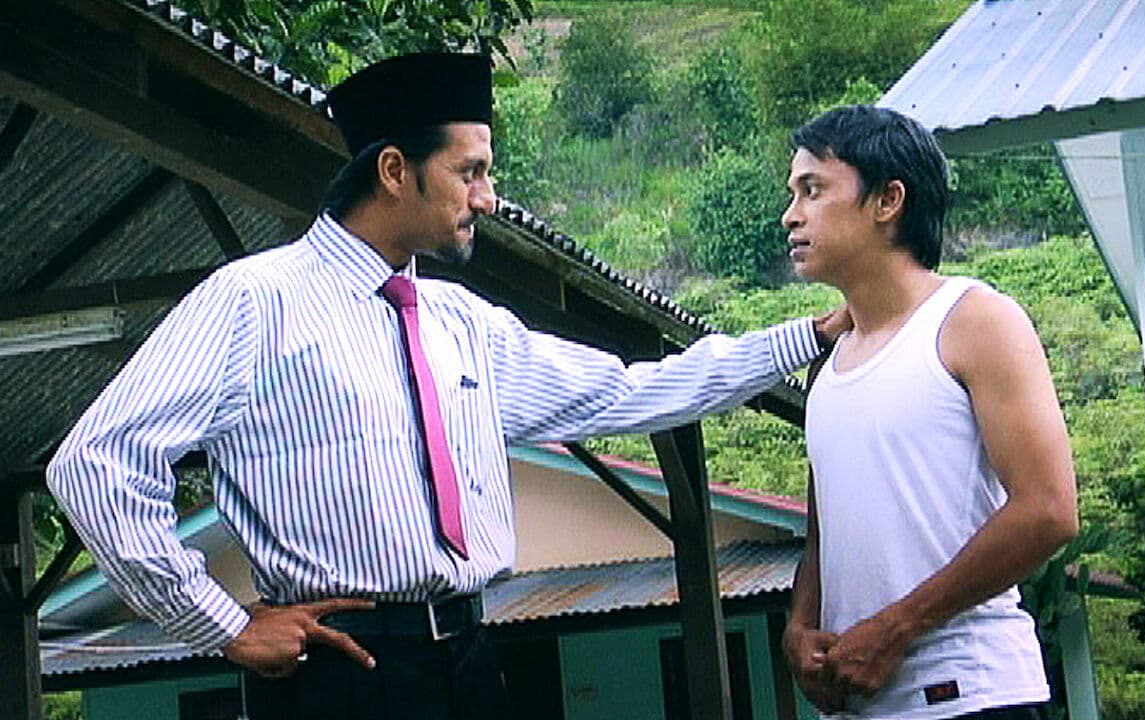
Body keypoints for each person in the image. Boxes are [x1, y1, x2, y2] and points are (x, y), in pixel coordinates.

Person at [46, 53, 848, 719]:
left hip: (470, 657)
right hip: (342, 676)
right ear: (395, 170)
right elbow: (95, 463)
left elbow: (630, 392)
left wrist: (803, 337)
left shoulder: (462, 323)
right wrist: (221, 624)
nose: (487, 199)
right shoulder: (255, 301)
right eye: (470, 172)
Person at [779, 105, 1079, 719]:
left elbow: (1049, 511)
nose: (791, 214)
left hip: (975, 695)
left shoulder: (975, 320)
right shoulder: (827, 359)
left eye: (813, 189)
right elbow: (824, 527)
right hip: (859, 705)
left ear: (888, 200)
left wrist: (897, 627)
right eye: (792, 194)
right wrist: (799, 625)